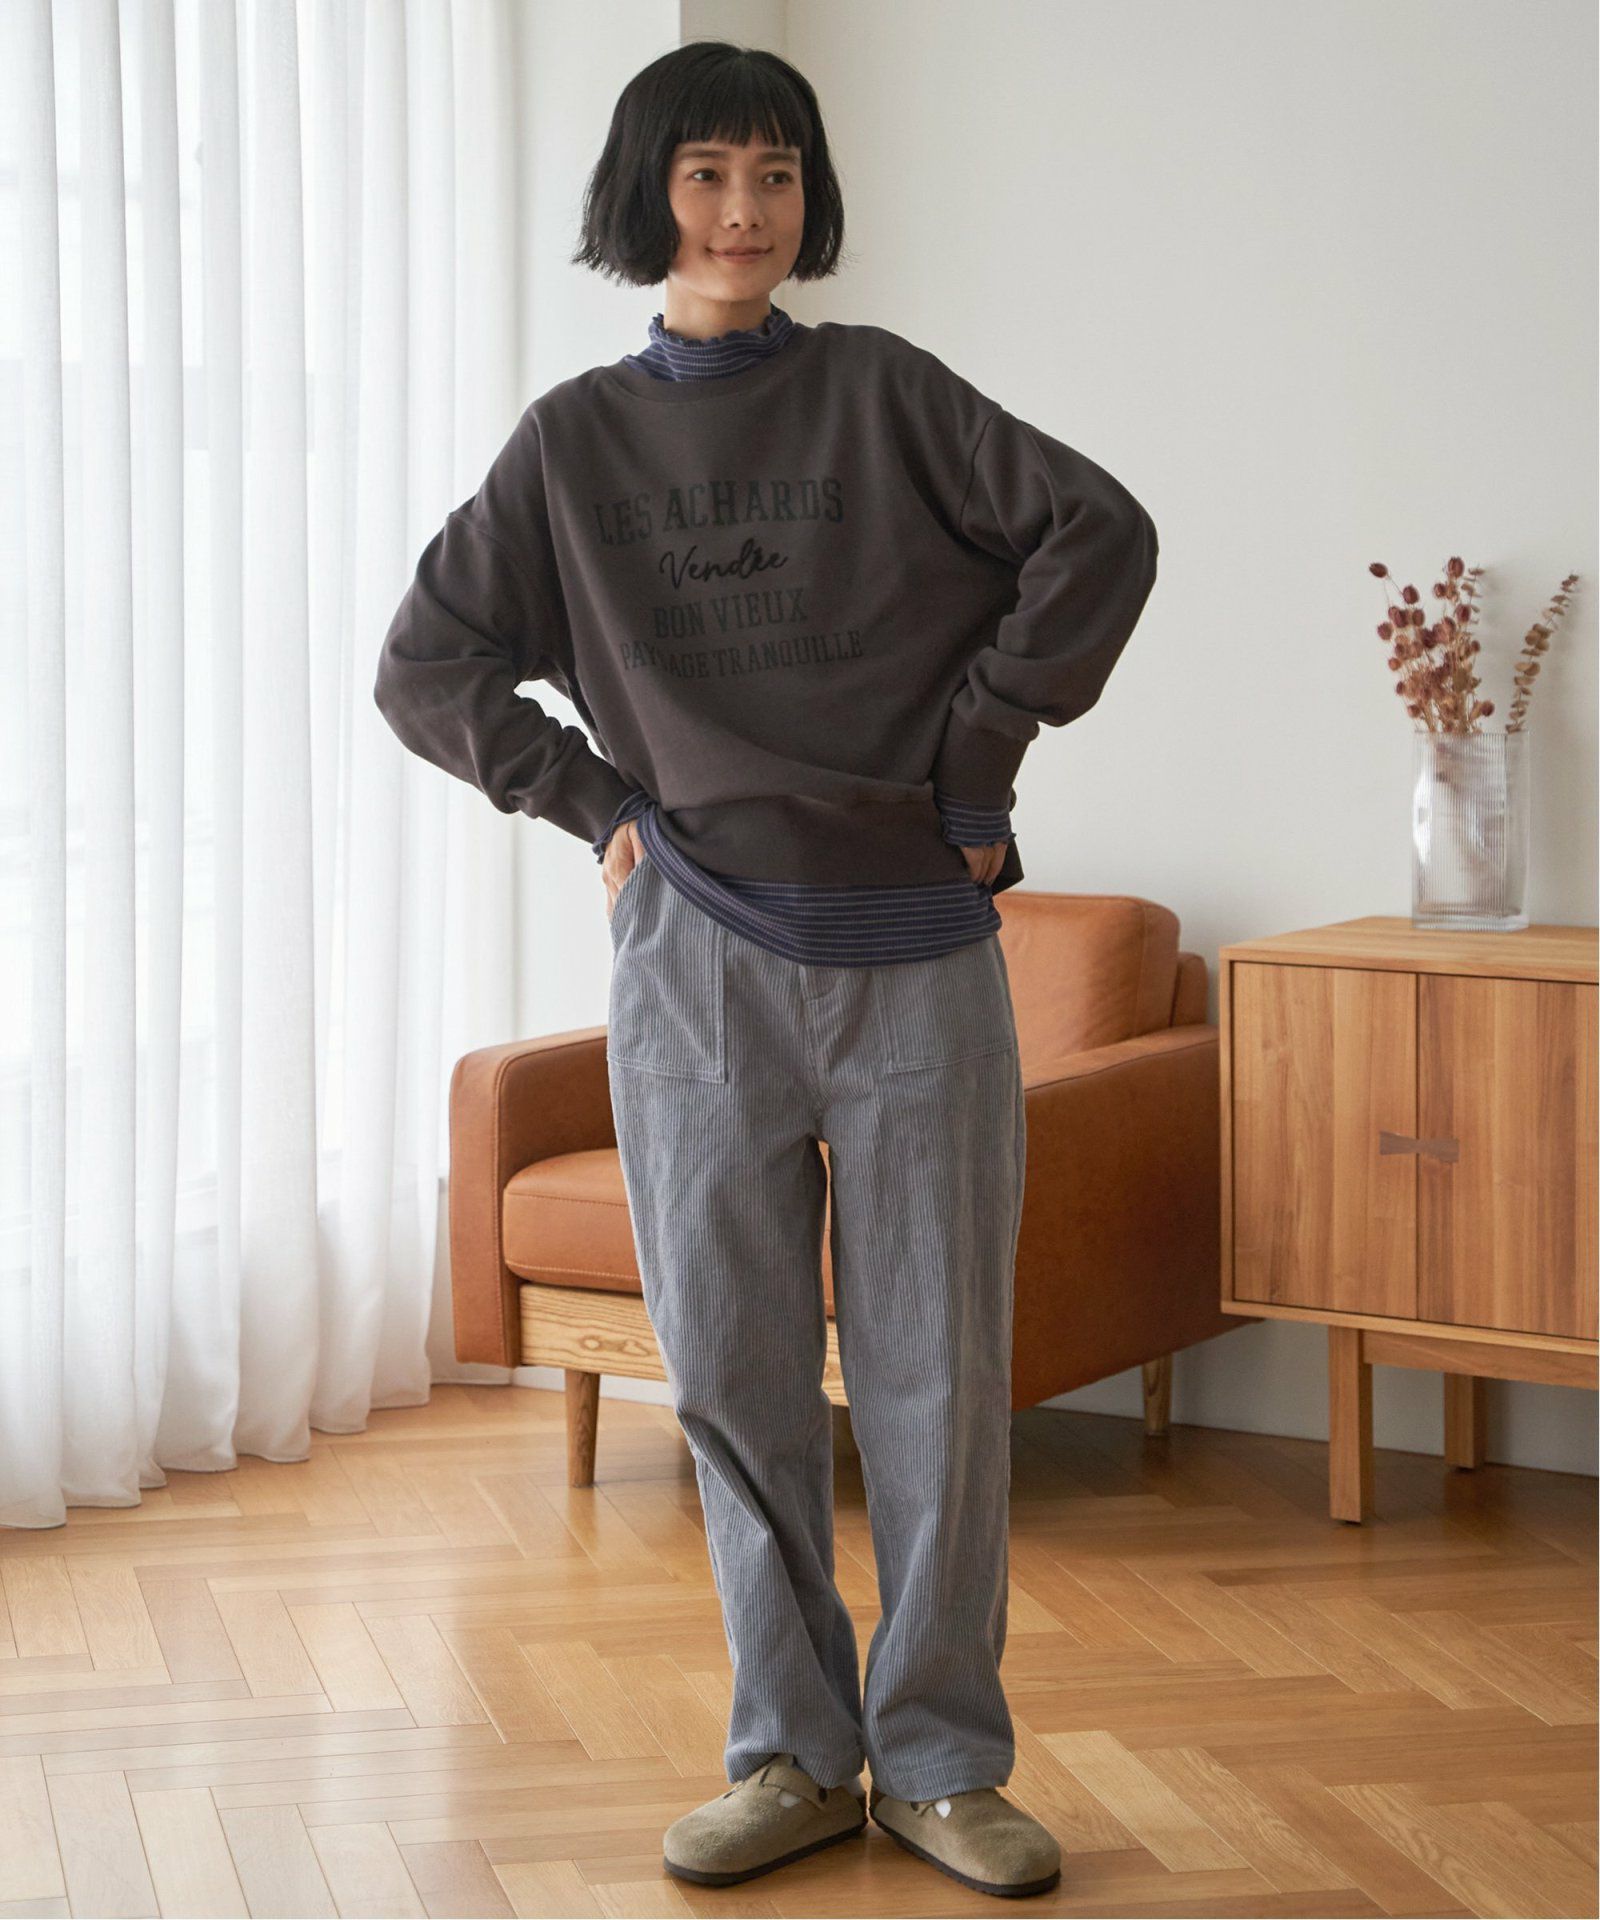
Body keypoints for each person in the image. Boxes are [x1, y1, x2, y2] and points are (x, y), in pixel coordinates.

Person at [374, 40, 1157, 1902]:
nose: (746, 211)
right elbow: (428, 664)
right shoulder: (573, 443)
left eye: (779, 175)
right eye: (710, 174)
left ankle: (945, 1764)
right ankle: (793, 1756)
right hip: (695, 958)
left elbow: (1100, 535)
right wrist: (592, 802)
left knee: (937, 1377)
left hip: (918, 957)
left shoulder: (882, 394)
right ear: (646, 194)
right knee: (730, 1377)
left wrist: (978, 766)